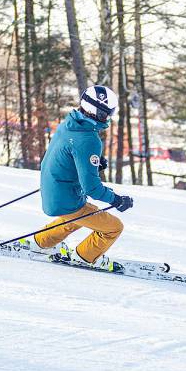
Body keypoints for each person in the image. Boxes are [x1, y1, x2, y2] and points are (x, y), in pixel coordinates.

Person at [33, 85, 134, 270]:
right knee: (113, 227)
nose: (108, 118)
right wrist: (117, 200)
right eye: (106, 113)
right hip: (66, 198)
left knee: (76, 218)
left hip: (52, 190)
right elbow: (92, 188)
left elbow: (69, 154)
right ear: (97, 111)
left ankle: (41, 242)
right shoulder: (89, 139)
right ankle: (84, 256)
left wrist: (89, 164)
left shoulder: (70, 123)